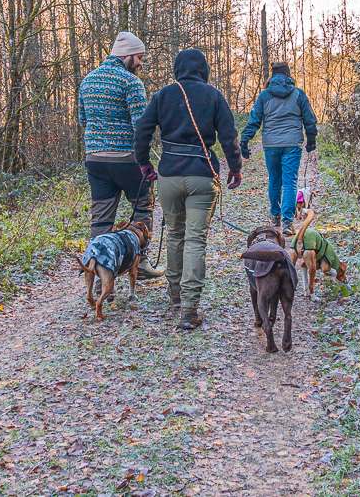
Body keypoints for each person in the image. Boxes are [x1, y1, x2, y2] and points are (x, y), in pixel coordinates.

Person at [134, 48, 242, 330]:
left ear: (177, 69)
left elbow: (142, 131)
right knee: (195, 240)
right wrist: (235, 167)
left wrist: (145, 165)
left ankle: (175, 295)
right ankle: (190, 309)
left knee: (174, 235)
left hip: (169, 175)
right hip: (202, 175)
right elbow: (229, 135)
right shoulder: (214, 95)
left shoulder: (162, 95)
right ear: (203, 69)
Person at [78, 31, 163, 281]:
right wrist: (146, 160)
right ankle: (142, 262)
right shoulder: (131, 83)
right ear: (125, 56)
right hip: (126, 159)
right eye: (138, 57)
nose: (140, 63)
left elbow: (83, 119)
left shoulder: (87, 81)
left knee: (101, 217)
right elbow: (141, 125)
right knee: (143, 207)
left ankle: (97, 265)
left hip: (95, 159)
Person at [238, 62, 318, 235]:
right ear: (288, 76)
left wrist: (244, 141)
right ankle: (287, 222)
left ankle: (275, 215)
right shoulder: (298, 94)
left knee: (275, 180)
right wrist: (311, 140)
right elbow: (309, 120)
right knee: (290, 182)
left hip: (271, 145)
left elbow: (254, 120)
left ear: (272, 77)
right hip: (292, 144)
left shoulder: (264, 96)